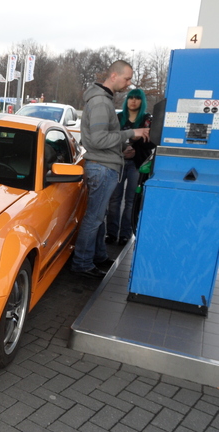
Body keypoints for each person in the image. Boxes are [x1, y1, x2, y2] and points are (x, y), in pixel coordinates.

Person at [70, 60, 150, 279]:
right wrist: (130, 134)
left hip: (105, 165)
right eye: (127, 78)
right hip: (102, 168)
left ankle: (97, 256)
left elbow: (102, 139)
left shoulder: (103, 100)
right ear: (114, 76)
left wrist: (122, 148)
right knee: (94, 218)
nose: (129, 83)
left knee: (98, 217)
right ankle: (82, 263)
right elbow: (97, 139)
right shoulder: (100, 103)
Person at [105, 88, 154, 246]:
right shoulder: (119, 117)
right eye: (131, 97)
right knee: (114, 199)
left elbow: (152, 141)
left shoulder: (147, 120)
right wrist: (123, 148)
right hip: (118, 161)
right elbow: (110, 138)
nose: (133, 101)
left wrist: (134, 147)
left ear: (142, 101)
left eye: (137, 98)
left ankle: (126, 234)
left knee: (131, 200)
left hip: (137, 164)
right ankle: (111, 233)